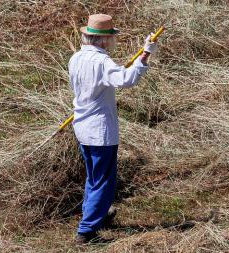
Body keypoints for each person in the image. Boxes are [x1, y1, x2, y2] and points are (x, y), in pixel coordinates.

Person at [68, 13, 158, 244]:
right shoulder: (101, 61)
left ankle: (95, 216)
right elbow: (126, 80)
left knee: (94, 177)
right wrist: (146, 54)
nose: (112, 42)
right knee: (104, 180)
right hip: (100, 131)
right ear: (104, 40)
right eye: (111, 37)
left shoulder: (75, 58)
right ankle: (86, 231)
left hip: (82, 126)